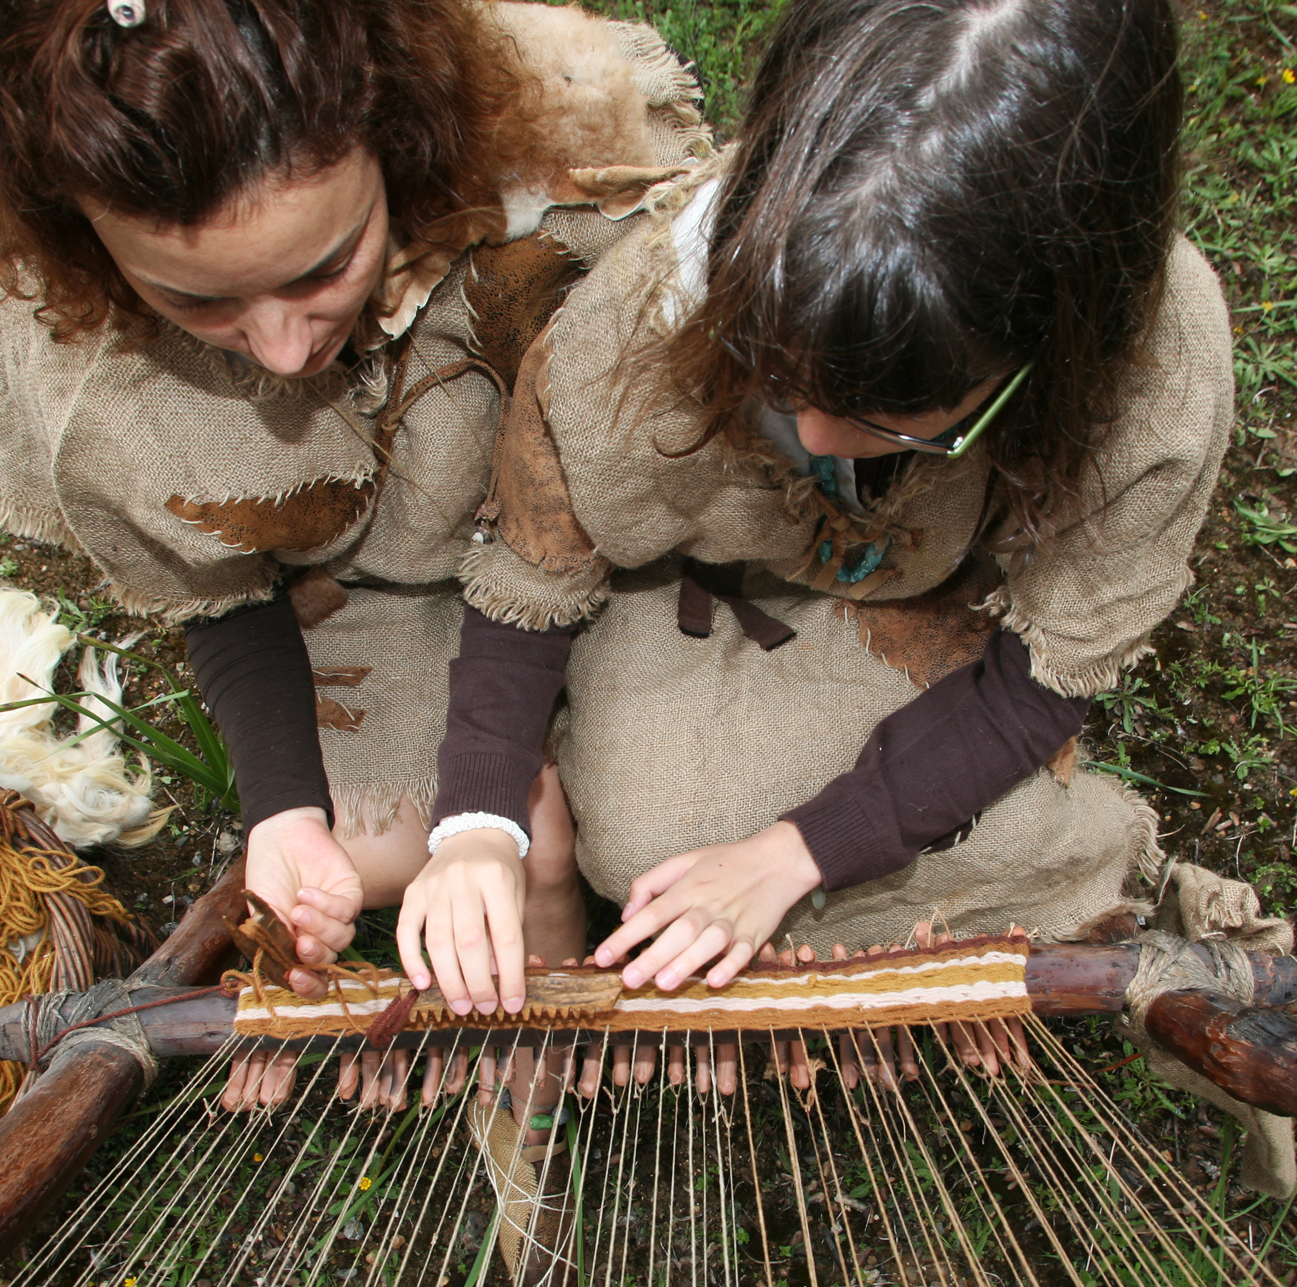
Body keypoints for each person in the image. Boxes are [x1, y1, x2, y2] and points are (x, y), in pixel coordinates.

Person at [399, 0, 1228, 1093]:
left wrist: (793, 853)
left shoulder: (1157, 377)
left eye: (899, 414)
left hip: (932, 606)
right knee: (651, 840)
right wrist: (474, 824)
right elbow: (527, 579)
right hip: (701, 583)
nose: (821, 441)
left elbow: (1039, 679)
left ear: (1052, 345)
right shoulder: (634, 320)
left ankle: (1078, 860)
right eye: (778, 376)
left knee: (722, 854)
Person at [0, 0, 711, 1107]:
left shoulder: (569, 176)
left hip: (584, 553)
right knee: (444, 845)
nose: (282, 349)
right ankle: (538, 1071)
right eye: (198, 299)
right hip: (364, 595)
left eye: (323, 267)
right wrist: (284, 811)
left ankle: (550, 1007)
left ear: (398, 130)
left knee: (651, 821)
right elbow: (221, 593)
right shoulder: (76, 355)